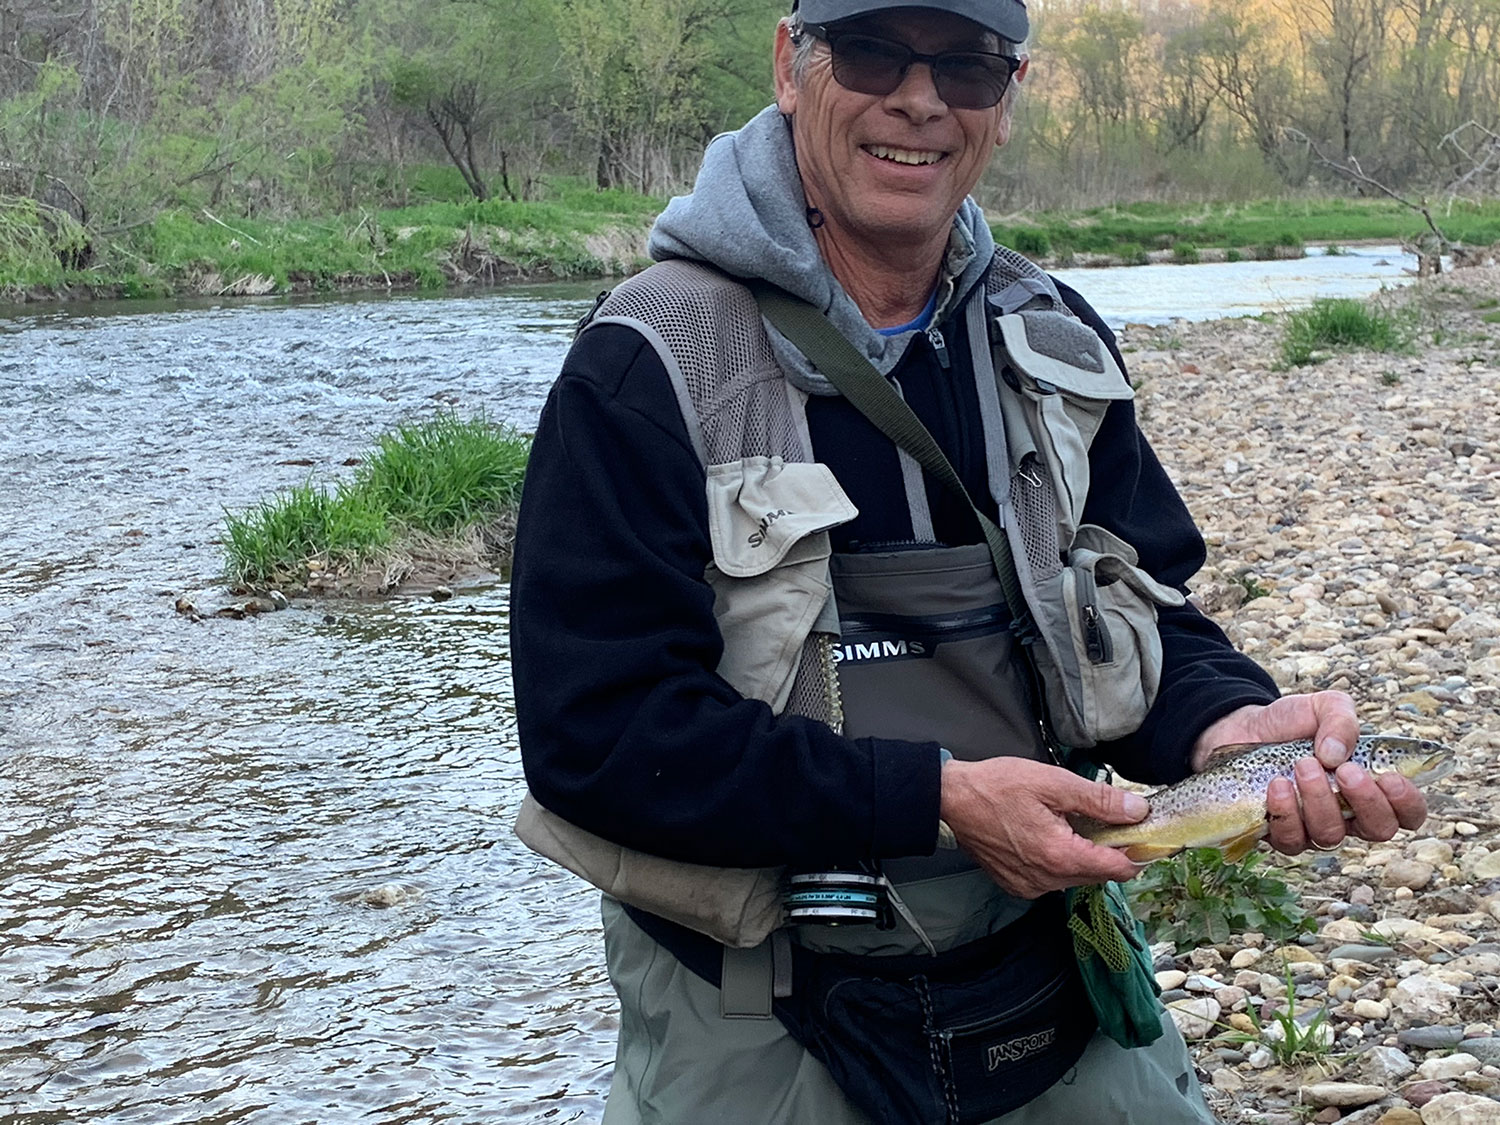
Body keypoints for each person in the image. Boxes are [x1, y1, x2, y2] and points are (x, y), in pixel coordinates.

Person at [509, 1, 1430, 1120]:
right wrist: (938, 800)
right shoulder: (647, 360)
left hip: (1043, 946)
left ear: (1009, 98)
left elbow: (1146, 608)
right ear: (791, 67)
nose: (919, 100)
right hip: (758, 988)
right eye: (874, 53)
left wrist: (1222, 725)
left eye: (966, 67)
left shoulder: (1052, 336)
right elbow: (597, 736)